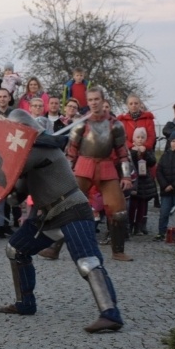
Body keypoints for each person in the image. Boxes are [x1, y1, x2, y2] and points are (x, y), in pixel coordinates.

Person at [0, 109, 124, 334]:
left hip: (72, 209)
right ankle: (25, 303)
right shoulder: (30, 154)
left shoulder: (43, 148)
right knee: (16, 249)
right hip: (48, 216)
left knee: (87, 262)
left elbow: (10, 169)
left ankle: (110, 314)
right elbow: (17, 196)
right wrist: (13, 190)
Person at [65, 86, 133, 261]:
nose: (94, 103)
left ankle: (118, 251)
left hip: (106, 167)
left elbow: (122, 152)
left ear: (103, 101)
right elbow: (71, 151)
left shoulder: (115, 125)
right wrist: (66, 172)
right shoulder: (81, 123)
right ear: (87, 102)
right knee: (68, 207)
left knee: (118, 211)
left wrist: (126, 176)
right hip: (84, 165)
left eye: (97, 99)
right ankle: (54, 248)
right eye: (91, 100)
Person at [128, 127, 157, 235]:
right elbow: (130, 163)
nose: (140, 139)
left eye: (142, 137)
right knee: (132, 205)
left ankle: (138, 226)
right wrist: (135, 153)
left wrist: (144, 153)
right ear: (134, 139)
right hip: (135, 180)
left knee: (142, 205)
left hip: (144, 181)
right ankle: (130, 224)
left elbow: (152, 162)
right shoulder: (130, 151)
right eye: (138, 137)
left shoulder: (148, 150)